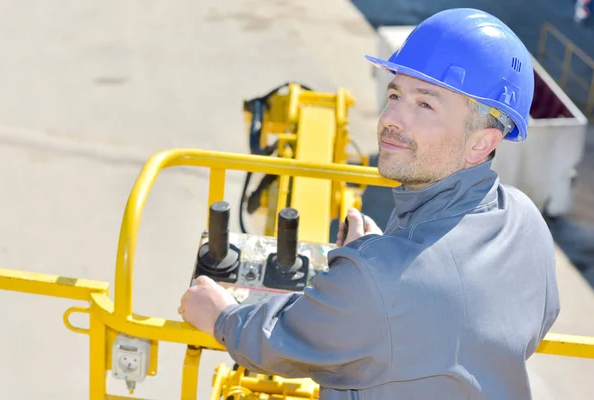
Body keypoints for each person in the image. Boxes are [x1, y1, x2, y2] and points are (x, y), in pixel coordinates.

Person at [178, 8, 560, 399]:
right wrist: (386, 257)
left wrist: (220, 315)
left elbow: (280, 343)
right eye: (395, 94)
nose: (391, 118)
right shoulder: (525, 223)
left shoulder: (379, 281)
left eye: (425, 105)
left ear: (482, 143)